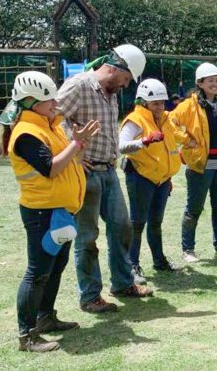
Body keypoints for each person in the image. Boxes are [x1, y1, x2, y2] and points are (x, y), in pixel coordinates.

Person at [0, 71, 100, 352]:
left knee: (55, 269)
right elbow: (51, 168)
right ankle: (27, 335)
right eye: (49, 101)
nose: (56, 104)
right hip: (42, 213)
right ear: (31, 102)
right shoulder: (26, 133)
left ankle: (45, 318)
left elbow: (65, 160)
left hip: (59, 212)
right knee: (38, 272)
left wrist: (78, 149)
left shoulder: (48, 125)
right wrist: (76, 144)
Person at [58, 44, 153, 314]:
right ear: (113, 69)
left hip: (109, 171)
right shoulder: (78, 85)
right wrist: (73, 153)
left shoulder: (109, 91)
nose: (125, 85)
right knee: (87, 238)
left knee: (122, 227)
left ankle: (122, 284)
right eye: (125, 79)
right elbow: (52, 119)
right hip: (85, 173)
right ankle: (90, 296)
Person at [169, 62, 217, 263]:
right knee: (194, 209)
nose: (215, 84)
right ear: (199, 83)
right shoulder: (188, 105)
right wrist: (185, 139)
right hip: (200, 165)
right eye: (210, 81)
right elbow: (170, 123)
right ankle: (188, 250)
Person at [119, 79, 183, 285]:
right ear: (143, 102)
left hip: (161, 179)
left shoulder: (165, 119)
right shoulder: (135, 120)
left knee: (156, 222)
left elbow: (168, 149)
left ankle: (159, 260)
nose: (160, 107)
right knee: (137, 223)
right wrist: (144, 141)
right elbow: (121, 146)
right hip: (140, 176)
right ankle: (132, 265)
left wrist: (168, 175)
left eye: (162, 103)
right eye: (155, 103)